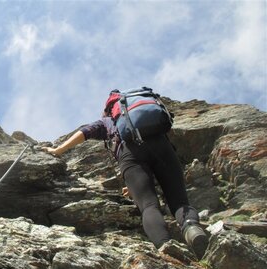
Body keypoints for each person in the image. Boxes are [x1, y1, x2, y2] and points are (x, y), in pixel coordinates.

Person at [43, 90, 209, 259]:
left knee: (149, 206)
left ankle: (167, 250)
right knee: (179, 201)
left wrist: (58, 150)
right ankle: (192, 228)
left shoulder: (107, 121)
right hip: (161, 144)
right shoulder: (144, 108)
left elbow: (85, 132)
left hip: (129, 152)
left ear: (109, 109)